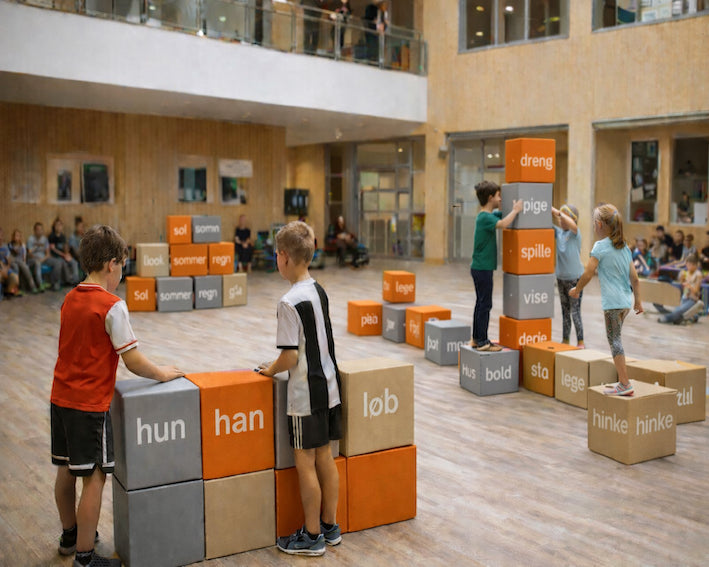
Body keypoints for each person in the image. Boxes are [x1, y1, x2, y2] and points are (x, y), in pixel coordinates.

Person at [51, 224, 184, 567]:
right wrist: (162, 372)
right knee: (95, 477)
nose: (122, 273)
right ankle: (85, 558)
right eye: (123, 265)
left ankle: (70, 535)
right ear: (112, 264)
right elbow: (133, 360)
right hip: (90, 406)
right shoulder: (112, 306)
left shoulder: (70, 298)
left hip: (60, 399)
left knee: (66, 469)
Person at [257, 221, 342, 557]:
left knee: (305, 462)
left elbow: (289, 357)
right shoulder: (318, 290)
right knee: (326, 457)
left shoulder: (288, 302)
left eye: (276, 255)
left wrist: (269, 369)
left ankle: (311, 535)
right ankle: (330, 526)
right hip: (330, 388)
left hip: (305, 395)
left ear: (284, 257)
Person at [570, 203, 642, 396]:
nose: (594, 225)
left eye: (594, 221)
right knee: (616, 338)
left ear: (599, 224)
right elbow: (635, 278)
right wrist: (638, 301)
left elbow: (588, 273)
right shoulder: (624, 247)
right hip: (625, 303)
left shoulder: (600, 247)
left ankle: (625, 384)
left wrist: (577, 289)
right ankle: (623, 382)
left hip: (612, 304)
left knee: (615, 340)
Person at [470, 181, 523, 351]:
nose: (500, 199)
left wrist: (508, 209)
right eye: (499, 196)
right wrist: (516, 210)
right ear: (490, 198)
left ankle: (476, 338)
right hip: (482, 268)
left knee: (481, 303)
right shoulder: (485, 218)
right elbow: (503, 223)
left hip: (481, 268)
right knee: (485, 305)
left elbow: (501, 215)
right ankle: (482, 342)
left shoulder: (487, 215)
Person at [551, 204, 585, 347]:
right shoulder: (558, 232)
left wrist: (558, 212)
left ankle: (580, 342)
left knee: (575, 311)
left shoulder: (575, 233)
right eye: (560, 217)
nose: (561, 220)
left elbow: (572, 225)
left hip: (575, 279)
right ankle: (565, 340)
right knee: (565, 311)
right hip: (561, 278)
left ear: (573, 219)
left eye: (564, 217)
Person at [656, 254, 704, 324]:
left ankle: (666, 318)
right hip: (684, 297)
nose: (687, 267)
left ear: (694, 265)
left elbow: (696, 291)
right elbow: (683, 288)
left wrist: (689, 285)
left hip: (692, 299)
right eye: (687, 265)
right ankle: (693, 317)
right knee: (677, 312)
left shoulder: (698, 274)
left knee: (678, 312)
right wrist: (682, 280)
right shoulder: (686, 273)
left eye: (689, 265)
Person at [48, 217, 80, 290]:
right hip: (55, 256)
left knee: (74, 262)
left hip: (63, 255)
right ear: (54, 226)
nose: (59, 227)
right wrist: (63, 255)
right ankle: (64, 281)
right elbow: (53, 249)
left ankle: (75, 280)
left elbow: (65, 247)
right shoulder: (51, 236)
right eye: (57, 225)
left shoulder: (63, 236)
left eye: (60, 225)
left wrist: (67, 253)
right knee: (63, 263)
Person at [8, 228, 39, 293]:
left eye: (18, 236)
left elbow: (24, 256)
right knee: (18, 265)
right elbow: (10, 257)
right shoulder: (10, 245)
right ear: (13, 236)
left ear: (20, 237)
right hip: (13, 262)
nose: (16, 237)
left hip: (21, 262)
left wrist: (24, 262)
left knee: (25, 265)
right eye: (15, 235)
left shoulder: (22, 245)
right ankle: (32, 286)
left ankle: (32, 286)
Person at [27, 221, 52, 291]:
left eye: (41, 229)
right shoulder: (30, 239)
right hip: (33, 259)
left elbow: (48, 254)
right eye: (38, 230)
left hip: (43, 258)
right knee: (37, 263)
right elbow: (29, 254)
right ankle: (40, 284)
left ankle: (54, 283)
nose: (39, 231)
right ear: (34, 231)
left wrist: (43, 259)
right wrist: (37, 258)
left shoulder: (45, 239)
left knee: (56, 262)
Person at [0, 227, 21, 297]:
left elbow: (9, 260)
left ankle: (7, 291)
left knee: (15, 278)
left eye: (1, 235)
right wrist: (2, 270)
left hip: (5, 268)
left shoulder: (5, 247)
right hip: (1, 269)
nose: (0, 238)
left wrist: (7, 268)